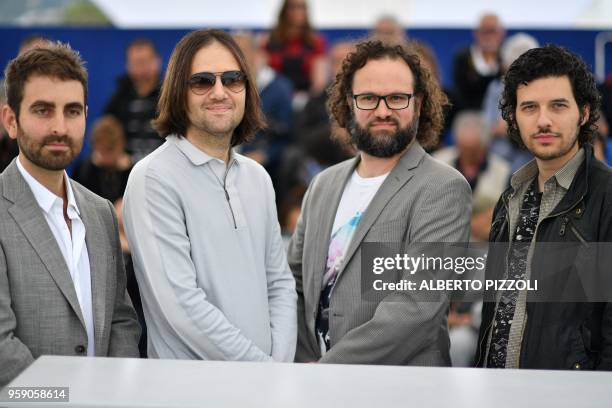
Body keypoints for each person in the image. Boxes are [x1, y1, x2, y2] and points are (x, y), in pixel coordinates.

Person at [287, 40, 472, 364]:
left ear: (418, 104)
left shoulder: (443, 187)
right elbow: (295, 287)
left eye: (397, 98)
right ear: (349, 104)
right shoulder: (322, 186)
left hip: (400, 390)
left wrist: (325, 370)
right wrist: (304, 364)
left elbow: (417, 306)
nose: (383, 110)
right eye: (369, 98)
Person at [122, 29, 297, 362]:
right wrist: (265, 370)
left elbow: (280, 285)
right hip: (192, 392)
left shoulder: (258, 178)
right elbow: (181, 305)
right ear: (177, 92)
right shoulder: (153, 179)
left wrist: (278, 367)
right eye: (202, 81)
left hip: (266, 385)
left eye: (233, 79)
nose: (220, 92)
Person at [0, 43, 140, 387]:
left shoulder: (100, 211)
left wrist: (115, 393)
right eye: (43, 110)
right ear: (11, 120)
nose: (60, 127)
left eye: (73, 111)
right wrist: (67, 398)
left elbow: (121, 320)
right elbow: (2, 349)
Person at [475, 45, 612, 370]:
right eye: (530, 107)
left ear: (584, 113)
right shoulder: (510, 196)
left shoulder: (607, 198)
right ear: (513, 117)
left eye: (558, 106)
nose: (544, 120)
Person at [104, 38, 163, 162]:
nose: (142, 67)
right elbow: (106, 132)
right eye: (137, 62)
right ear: (128, 66)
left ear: (157, 61)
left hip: (164, 165)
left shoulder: (171, 96)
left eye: (146, 61)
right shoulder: (118, 99)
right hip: (125, 169)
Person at [266, 0, 326, 94]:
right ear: (285, 11)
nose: (298, 12)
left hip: (306, 95)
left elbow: (319, 80)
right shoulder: (270, 41)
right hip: (278, 95)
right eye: (293, 7)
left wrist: (312, 98)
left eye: (302, 7)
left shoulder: (315, 42)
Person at [452, 13, 505, 111]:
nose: (488, 36)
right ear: (476, 33)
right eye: (484, 31)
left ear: (502, 33)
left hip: (501, 115)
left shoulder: (507, 58)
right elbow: (459, 95)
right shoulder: (462, 58)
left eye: (492, 31)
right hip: (470, 114)